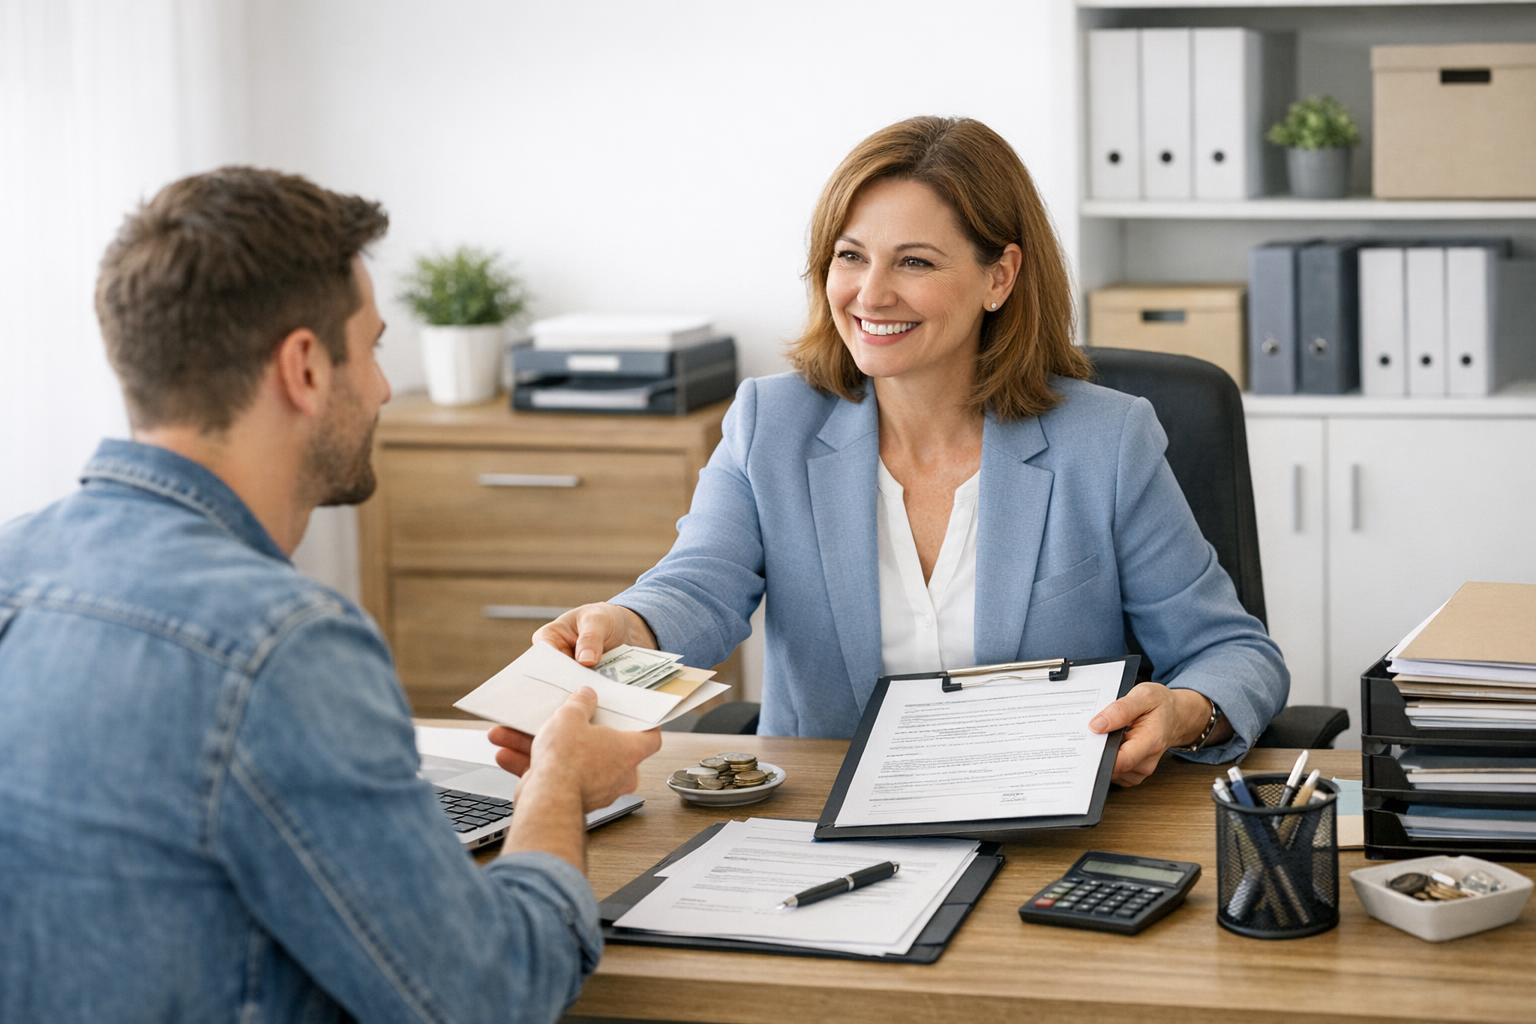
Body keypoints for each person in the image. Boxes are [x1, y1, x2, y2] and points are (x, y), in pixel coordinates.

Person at [0, 167, 660, 1023]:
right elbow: (486, 997)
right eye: (374, 347)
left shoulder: (14, 563)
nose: (384, 388)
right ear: (306, 367)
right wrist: (557, 788)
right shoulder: (283, 643)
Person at [531, 116, 1288, 784]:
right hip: (821, 825)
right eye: (851, 256)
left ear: (1000, 276)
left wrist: (1188, 709)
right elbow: (698, 585)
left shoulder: (1105, 441)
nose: (870, 293)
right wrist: (629, 626)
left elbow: (1233, 651)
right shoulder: (771, 423)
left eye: (915, 262)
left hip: (1038, 822)